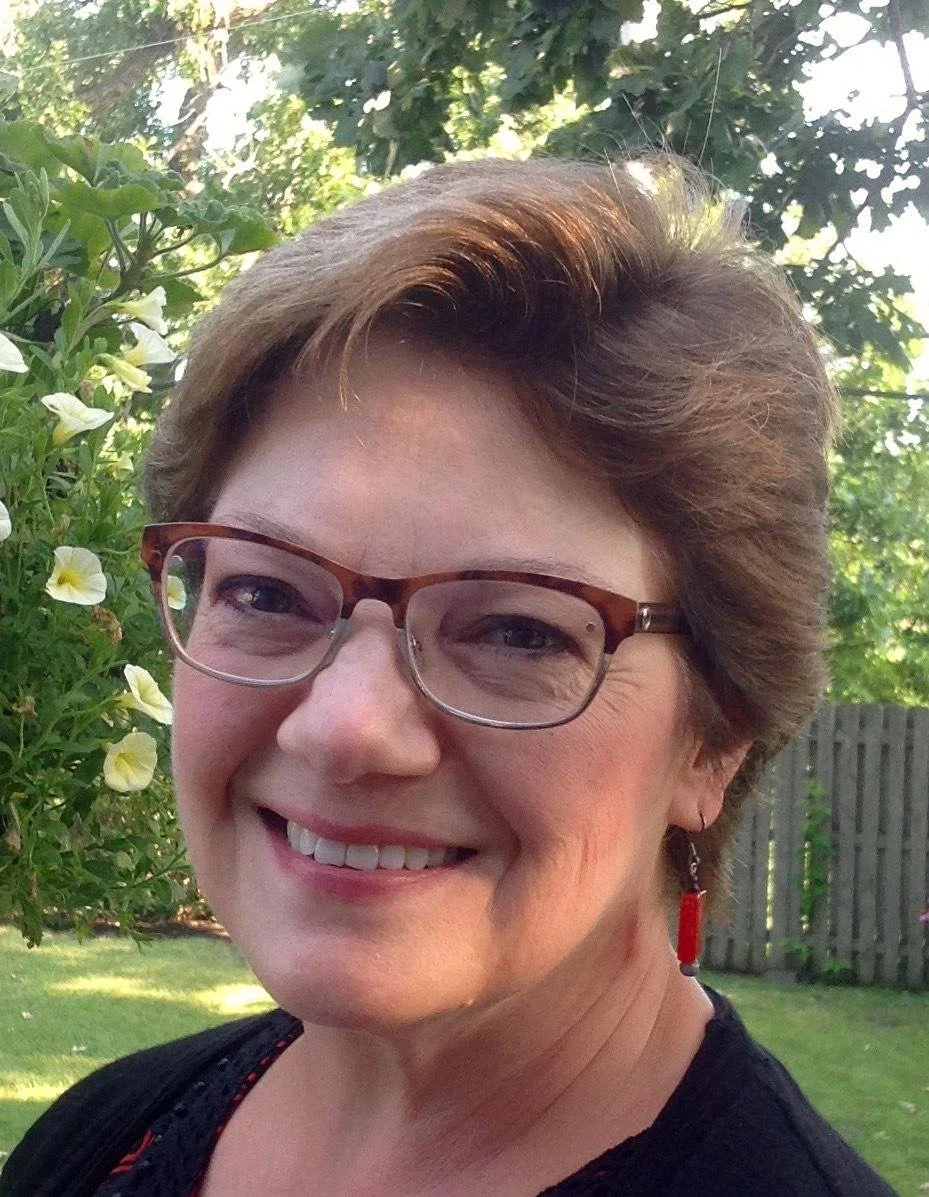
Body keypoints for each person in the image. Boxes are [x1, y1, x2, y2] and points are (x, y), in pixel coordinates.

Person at [1, 156, 894, 1197]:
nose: (344, 727)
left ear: (715, 736)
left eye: (517, 632)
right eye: (266, 592)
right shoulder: (102, 1139)